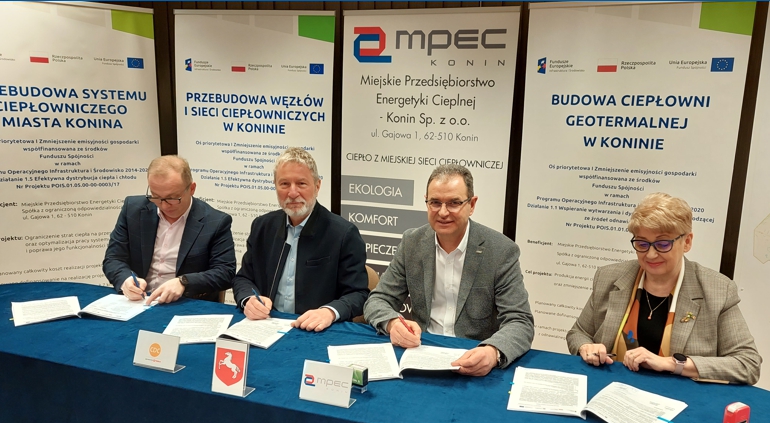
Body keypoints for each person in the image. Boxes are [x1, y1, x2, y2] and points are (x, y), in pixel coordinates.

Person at [567, 192, 761, 384]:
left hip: (680, 397)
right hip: (613, 389)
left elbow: (748, 364)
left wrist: (672, 364)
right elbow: (578, 333)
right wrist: (586, 347)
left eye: (662, 244)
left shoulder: (717, 290)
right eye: (642, 243)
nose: (651, 254)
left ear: (687, 242)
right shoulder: (609, 277)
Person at [363, 164, 534, 376]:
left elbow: (520, 321)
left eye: (454, 203)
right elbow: (378, 300)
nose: (443, 212)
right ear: (427, 202)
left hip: (473, 359)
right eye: (435, 202)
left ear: (472, 204)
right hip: (421, 355)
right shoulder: (412, 243)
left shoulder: (500, 251)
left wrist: (492, 352)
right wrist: (392, 323)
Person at [232, 147, 368, 331]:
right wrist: (249, 299)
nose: (293, 193)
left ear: (317, 186)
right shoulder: (262, 226)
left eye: (301, 184)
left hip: (316, 331)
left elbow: (358, 294)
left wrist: (329, 312)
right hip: (267, 326)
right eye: (284, 184)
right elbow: (243, 278)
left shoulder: (343, 233)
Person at [102, 155, 236, 304]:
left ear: (192, 189)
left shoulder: (215, 222)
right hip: (139, 302)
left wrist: (183, 282)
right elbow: (113, 258)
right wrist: (125, 279)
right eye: (156, 197)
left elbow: (225, 273)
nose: (164, 205)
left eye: (173, 198)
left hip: (185, 304)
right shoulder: (133, 209)